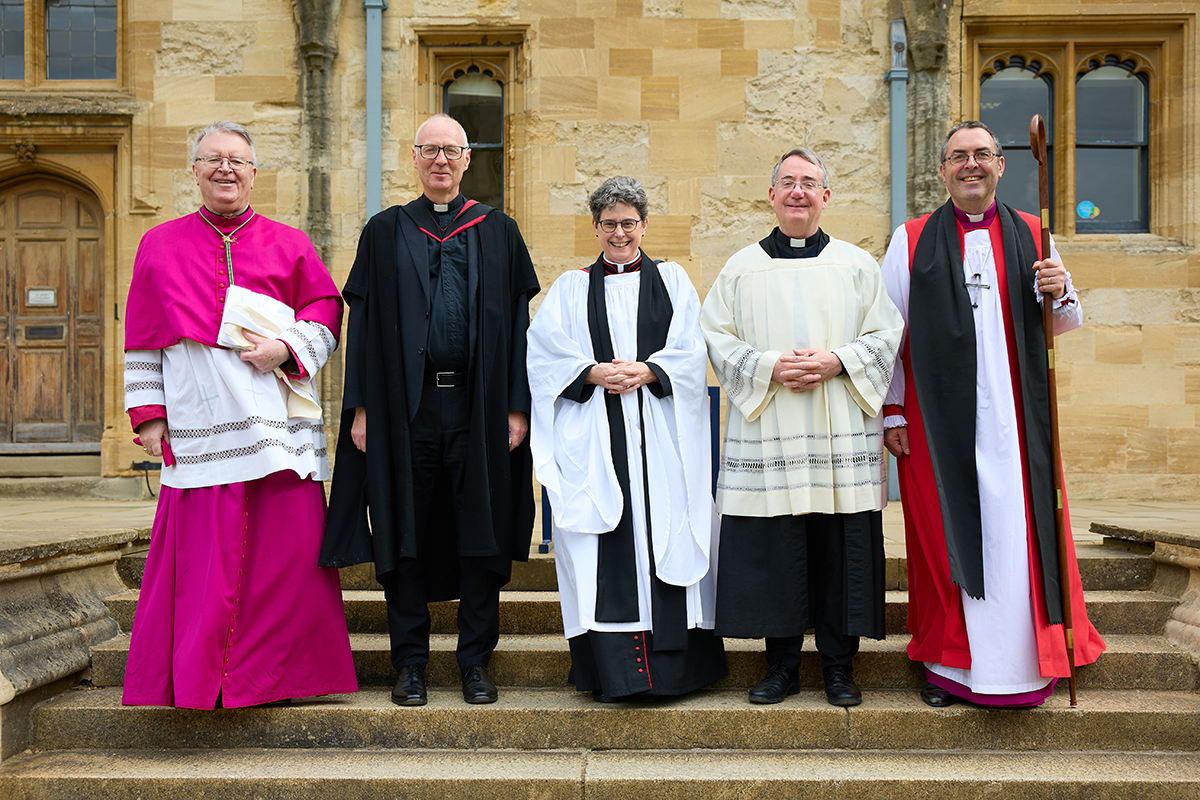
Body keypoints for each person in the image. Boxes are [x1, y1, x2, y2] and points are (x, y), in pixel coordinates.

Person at [122, 121, 357, 709]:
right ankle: (199, 678)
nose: (225, 169)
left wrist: (288, 348)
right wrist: (148, 414)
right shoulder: (159, 244)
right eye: (212, 160)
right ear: (194, 171)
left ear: (254, 172)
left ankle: (280, 678)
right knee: (206, 561)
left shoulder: (289, 241)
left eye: (237, 160)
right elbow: (144, 336)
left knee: (287, 559)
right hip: (200, 423)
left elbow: (326, 309)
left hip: (275, 422)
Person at [881, 120, 1106, 708]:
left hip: (1014, 417)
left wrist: (1060, 290)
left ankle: (1034, 661)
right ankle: (951, 665)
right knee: (944, 536)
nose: (971, 164)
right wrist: (893, 410)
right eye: (959, 156)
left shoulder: (1035, 233)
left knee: (1019, 536)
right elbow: (886, 334)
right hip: (937, 417)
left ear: (1001, 166)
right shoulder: (909, 240)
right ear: (943, 170)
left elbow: (1064, 323)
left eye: (983, 154)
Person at [321, 114, 540, 707]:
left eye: (451, 150)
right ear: (414, 159)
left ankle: (475, 663)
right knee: (404, 529)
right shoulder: (384, 231)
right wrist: (360, 408)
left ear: (468, 159)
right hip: (402, 411)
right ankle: (410, 665)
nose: (440, 160)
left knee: (480, 530)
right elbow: (360, 327)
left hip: (480, 407)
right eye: (429, 150)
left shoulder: (498, 231)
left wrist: (518, 409)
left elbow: (519, 332)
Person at [701, 149, 903, 706]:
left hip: (839, 430)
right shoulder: (740, 267)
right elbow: (715, 336)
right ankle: (781, 667)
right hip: (770, 429)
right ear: (770, 195)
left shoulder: (858, 265)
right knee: (777, 549)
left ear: (826, 197)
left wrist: (837, 360)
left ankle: (839, 668)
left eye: (809, 183)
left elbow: (887, 335)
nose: (798, 192)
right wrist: (769, 366)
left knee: (841, 549)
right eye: (787, 183)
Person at [527, 177, 727, 703]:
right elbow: (543, 355)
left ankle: (677, 673)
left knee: (668, 528)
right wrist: (591, 374)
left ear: (643, 225)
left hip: (660, 435)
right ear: (595, 227)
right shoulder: (571, 288)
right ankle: (611, 674)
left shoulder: (673, 280)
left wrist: (649, 369)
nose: (620, 233)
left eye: (629, 223)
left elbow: (691, 347)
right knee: (602, 545)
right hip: (598, 435)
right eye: (609, 224)